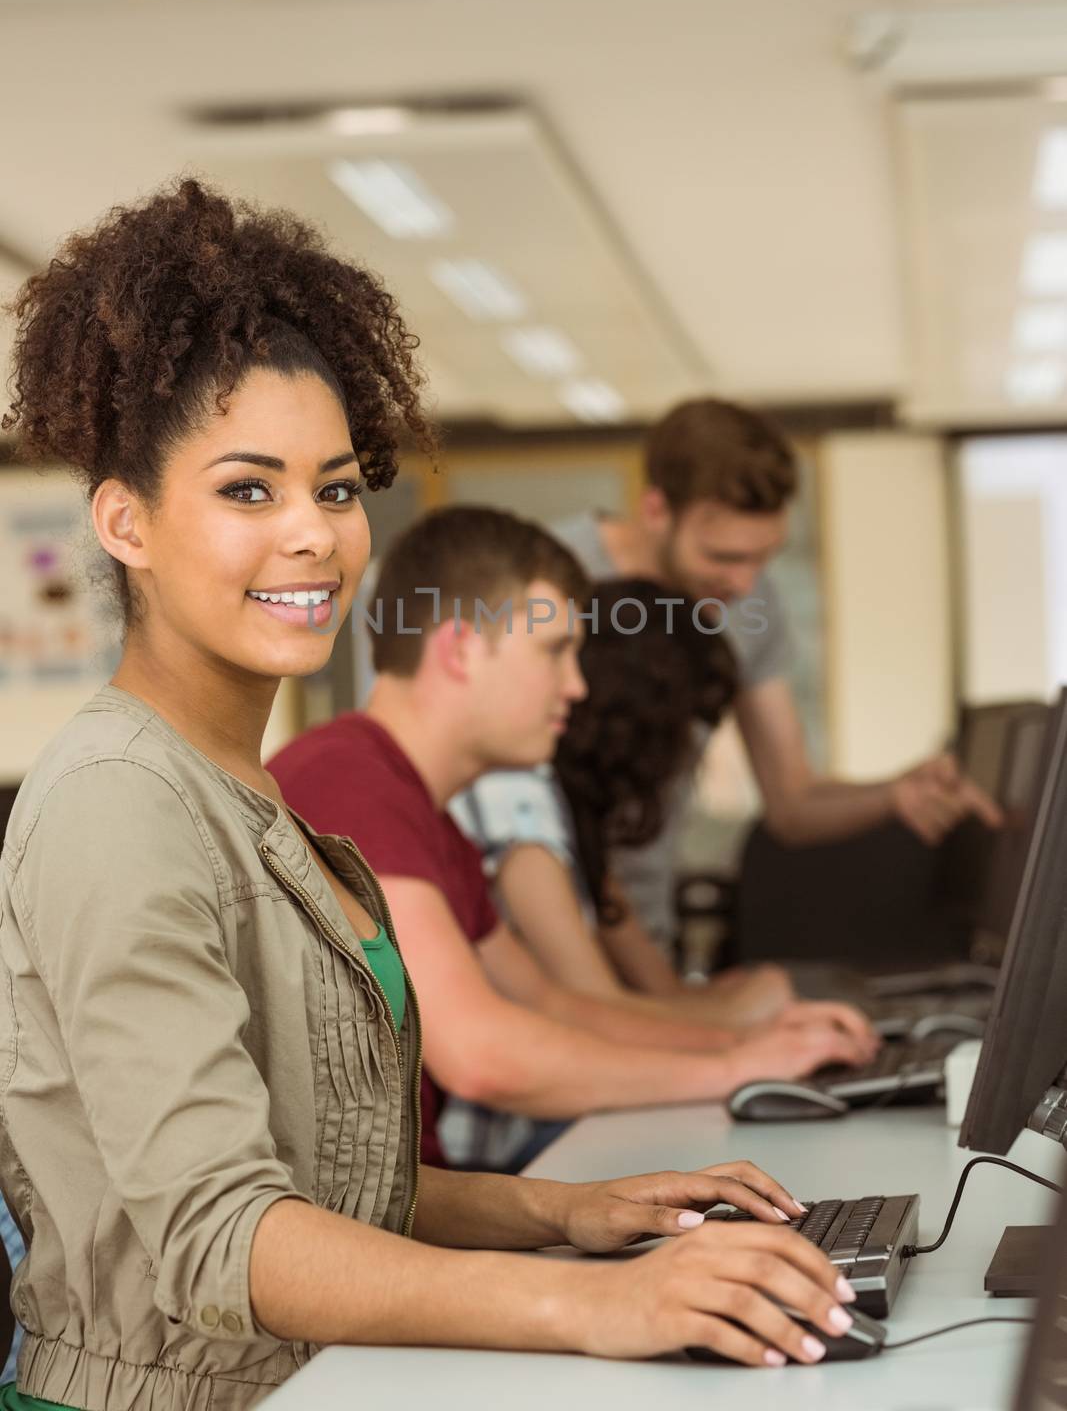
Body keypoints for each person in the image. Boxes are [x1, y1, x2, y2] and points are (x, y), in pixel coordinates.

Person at [0, 178, 863, 1407]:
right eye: (248, 490)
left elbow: (325, 1179)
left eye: (337, 488)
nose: (312, 534)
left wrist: (570, 1216)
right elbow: (223, 1233)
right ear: (124, 521)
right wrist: (593, 1303)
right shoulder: (117, 801)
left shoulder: (244, 793)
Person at [270, 506, 878, 1173]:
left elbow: (548, 1002)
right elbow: (482, 1058)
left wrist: (738, 1045)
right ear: (461, 649)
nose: (577, 686)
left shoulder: (421, 809)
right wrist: (736, 1066)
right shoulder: (348, 783)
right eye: (555, 651)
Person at [552, 396, 1002, 940]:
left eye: (763, 557)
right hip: (547, 930)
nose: (742, 584)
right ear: (655, 510)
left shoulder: (753, 608)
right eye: (722, 557)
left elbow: (791, 803)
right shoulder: (545, 577)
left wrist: (893, 794)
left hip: (644, 930)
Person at [451, 575, 793, 1030]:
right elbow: (591, 1006)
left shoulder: (575, 817)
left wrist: (720, 1001)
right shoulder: (518, 797)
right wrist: (738, 1017)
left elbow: (660, 992)